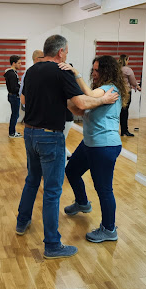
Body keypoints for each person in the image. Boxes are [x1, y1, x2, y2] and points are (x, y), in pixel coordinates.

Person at [16, 34, 119, 259]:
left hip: (30, 134)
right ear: (61, 52)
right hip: (49, 137)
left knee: (32, 180)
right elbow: (81, 103)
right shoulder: (61, 71)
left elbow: (25, 100)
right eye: (67, 52)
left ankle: (21, 222)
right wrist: (102, 100)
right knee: (52, 192)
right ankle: (52, 245)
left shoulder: (32, 70)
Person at [60, 55, 128, 243]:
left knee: (104, 188)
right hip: (90, 143)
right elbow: (81, 109)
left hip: (104, 145)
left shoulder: (110, 89)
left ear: (107, 71)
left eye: (98, 70)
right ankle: (82, 202)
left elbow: (88, 95)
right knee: (71, 170)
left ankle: (109, 229)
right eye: (94, 70)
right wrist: (63, 98)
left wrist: (76, 74)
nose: (94, 73)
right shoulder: (101, 92)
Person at [118, 54, 141, 136]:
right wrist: (137, 86)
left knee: (119, 111)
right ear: (126, 60)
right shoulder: (128, 70)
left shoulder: (117, 69)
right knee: (125, 111)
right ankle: (124, 130)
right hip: (126, 92)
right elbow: (133, 82)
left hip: (118, 92)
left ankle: (119, 129)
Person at [4, 55, 22, 138]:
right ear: (14, 63)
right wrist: (20, 87)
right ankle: (12, 133)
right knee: (15, 115)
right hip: (14, 96)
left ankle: (12, 131)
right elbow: (13, 88)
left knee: (15, 114)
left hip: (13, 96)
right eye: (19, 63)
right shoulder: (12, 74)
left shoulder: (12, 73)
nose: (20, 64)